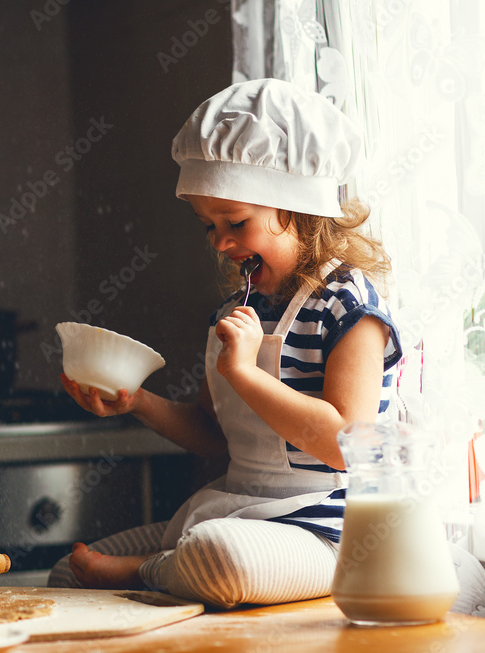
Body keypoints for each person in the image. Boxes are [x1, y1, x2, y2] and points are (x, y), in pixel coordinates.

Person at [48, 78, 403, 608]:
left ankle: (146, 571)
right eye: (207, 226)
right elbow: (215, 434)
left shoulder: (348, 304)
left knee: (219, 560)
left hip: (333, 532)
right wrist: (137, 401)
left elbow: (344, 443)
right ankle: (159, 568)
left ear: (298, 208)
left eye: (235, 221)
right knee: (65, 574)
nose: (220, 241)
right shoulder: (238, 310)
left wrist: (246, 373)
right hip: (243, 509)